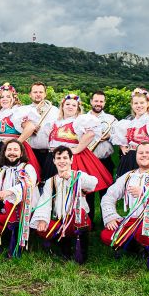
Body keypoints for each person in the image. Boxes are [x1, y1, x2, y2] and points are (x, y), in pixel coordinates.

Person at [100, 142, 149, 271]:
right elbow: (109, 195)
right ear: (136, 156)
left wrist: (145, 190)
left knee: (144, 231)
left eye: (148, 152)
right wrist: (111, 216)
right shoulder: (129, 176)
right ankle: (139, 248)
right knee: (107, 235)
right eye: (140, 153)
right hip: (134, 221)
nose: (144, 155)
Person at [46, 94, 114, 222]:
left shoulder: (79, 121)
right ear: (62, 106)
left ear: (78, 108)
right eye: (67, 104)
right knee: (55, 187)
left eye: (74, 105)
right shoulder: (55, 122)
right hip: (55, 158)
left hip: (74, 158)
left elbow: (91, 133)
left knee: (80, 188)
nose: (70, 107)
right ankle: (57, 218)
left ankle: (85, 220)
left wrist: (77, 149)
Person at [33, 146, 98, 263]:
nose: (62, 161)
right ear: (54, 161)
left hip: (76, 219)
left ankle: (81, 253)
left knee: (79, 216)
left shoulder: (78, 175)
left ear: (71, 160)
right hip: (60, 218)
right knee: (42, 228)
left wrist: (71, 177)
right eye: (58, 158)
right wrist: (42, 219)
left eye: (65, 158)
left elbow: (93, 183)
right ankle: (64, 246)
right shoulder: (51, 181)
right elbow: (44, 201)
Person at [0, 140, 39, 257]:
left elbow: (28, 185)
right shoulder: (4, 172)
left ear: (21, 153)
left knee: (12, 205)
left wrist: (9, 192)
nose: (12, 152)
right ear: (4, 153)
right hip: (10, 213)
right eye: (9, 149)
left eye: (16, 150)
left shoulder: (27, 168)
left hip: (27, 213)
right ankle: (8, 235)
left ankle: (18, 245)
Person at [0, 83, 39, 191]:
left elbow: (30, 127)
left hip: (10, 152)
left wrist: (16, 143)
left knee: (10, 182)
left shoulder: (16, 113)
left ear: (14, 98)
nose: (4, 99)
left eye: (8, 96)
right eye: (2, 97)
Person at [110, 88, 149, 178]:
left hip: (146, 159)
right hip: (129, 159)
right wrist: (122, 147)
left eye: (142, 103)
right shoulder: (127, 123)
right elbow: (119, 139)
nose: (139, 105)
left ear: (148, 104)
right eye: (136, 103)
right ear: (132, 105)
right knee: (127, 183)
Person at [22, 81, 59, 178]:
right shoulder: (24, 110)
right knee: (31, 180)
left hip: (50, 153)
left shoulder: (55, 110)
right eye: (35, 92)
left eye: (41, 92)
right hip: (30, 152)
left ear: (45, 94)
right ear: (30, 94)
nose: (38, 94)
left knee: (48, 181)